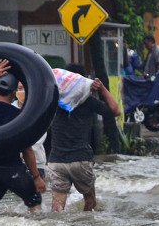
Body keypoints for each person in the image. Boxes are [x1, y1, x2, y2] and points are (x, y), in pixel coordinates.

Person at [0, 59, 45, 216]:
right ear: (14, 92)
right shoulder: (19, 117)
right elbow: (27, 149)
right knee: (35, 203)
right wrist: (37, 177)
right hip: (13, 170)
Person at [47, 63, 121, 212]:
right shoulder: (88, 102)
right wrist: (101, 88)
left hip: (56, 161)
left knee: (57, 208)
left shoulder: (53, 101)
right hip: (80, 159)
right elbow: (116, 110)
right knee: (90, 200)